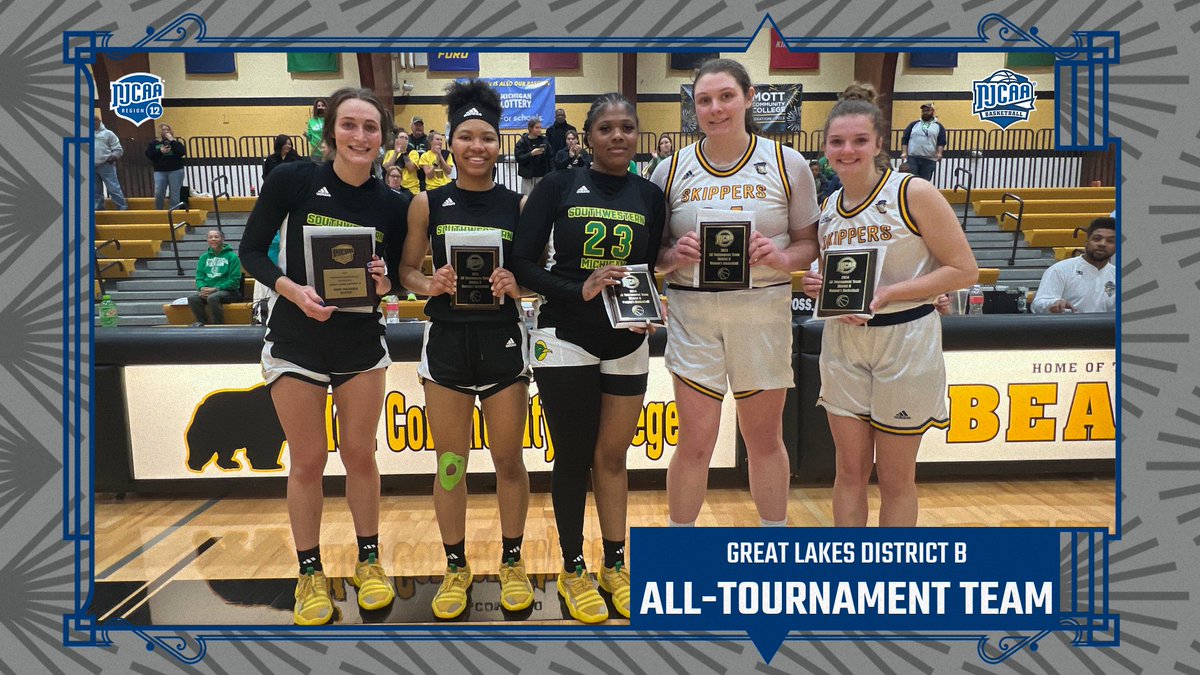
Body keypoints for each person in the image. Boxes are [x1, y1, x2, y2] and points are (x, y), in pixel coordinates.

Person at [238, 87, 409, 625]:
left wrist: (384, 287)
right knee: (308, 460)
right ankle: (309, 572)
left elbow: (397, 283)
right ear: (331, 129)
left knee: (360, 454)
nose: (360, 137)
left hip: (360, 344)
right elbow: (249, 250)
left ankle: (369, 561)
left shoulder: (393, 204)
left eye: (371, 128)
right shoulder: (293, 180)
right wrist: (291, 291)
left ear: (384, 137)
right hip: (296, 339)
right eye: (350, 125)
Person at [512, 92, 666, 624]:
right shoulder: (557, 186)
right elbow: (521, 264)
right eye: (606, 128)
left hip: (626, 336)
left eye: (627, 127)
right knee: (573, 455)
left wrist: (653, 299)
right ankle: (573, 567)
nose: (617, 136)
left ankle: (615, 564)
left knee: (612, 458)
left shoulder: (650, 194)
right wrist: (577, 289)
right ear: (588, 136)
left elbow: (649, 267)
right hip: (565, 333)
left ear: (637, 133)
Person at [651, 58, 819, 530]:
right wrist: (673, 256)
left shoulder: (788, 164)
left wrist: (782, 258)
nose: (715, 108)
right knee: (695, 442)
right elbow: (655, 255)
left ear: (748, 97)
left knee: (764, 439)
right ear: (693, 108)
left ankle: (775, 545)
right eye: (704, 100)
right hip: (693, 312)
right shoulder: (669, 169)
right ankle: (679, 547)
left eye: (726, 96)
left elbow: (808, 243)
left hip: (762, 308)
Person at [800, 83, 978, 527]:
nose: (847, 150)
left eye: (860, 140)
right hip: (844, 342)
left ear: (880, 143)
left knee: (896, 478)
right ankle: (850, 571)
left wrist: (892, 293)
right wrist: (815, 285)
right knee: (848, 473)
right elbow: (838, 281)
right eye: (837, 141)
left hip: (906, 339)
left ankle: (887, 574)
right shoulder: (827, 209)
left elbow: (963, 270)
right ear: (825, 148)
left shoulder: (912, 192)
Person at [398, 79, 534, 620]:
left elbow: (533, 279)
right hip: (448, 345)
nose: (478, 147)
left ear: (500, 146)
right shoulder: (426, 203)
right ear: (449, 144)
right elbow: (408, 271)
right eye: (467, 137)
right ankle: (456, 566)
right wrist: (427, 283)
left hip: (503, 344)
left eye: (488, 138)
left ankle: (513, 560)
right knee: (451, 462)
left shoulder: (518, 204)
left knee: (507, 460)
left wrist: (515, 285)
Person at [1031, 217, 1116, 314]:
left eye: (1110, 241)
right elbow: (1037, 304)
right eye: (1097, 239)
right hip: (1066, 327)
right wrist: (1053, 304)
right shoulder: (1061, 270)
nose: (1102, 244)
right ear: (1087, 241)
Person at [188, 229, 243, 325]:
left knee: (212, 298)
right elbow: (199, 276)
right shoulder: (204, 257)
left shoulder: (232, 257)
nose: (213, 239)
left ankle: (218, 325)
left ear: (222, 239)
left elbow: (234, 280)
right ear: (207, 240)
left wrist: (216, 289)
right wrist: (202, 288)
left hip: (229, 291)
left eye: (216, 237)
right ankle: (201, 323)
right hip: (209, 291)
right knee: (193, 298)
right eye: (210, 237)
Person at [900, 102, 947, 183]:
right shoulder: (914, 124)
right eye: (923, 111)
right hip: (913, 157)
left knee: (924, 182)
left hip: (929, 159)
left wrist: (939, 153)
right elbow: (905, 138)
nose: (925, 112)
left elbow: (941, 141)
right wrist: (904, 153)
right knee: (911, 180)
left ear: (933, 112)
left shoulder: (938, 126)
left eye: (927, 110)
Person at [146, 123, 187, 210]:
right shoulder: (154, 143)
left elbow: (181, 152)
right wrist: (160, 151)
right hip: (160, 170)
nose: (166, 131)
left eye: (167, 129)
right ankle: (159, 211)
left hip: (175, 170)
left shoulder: (175, 142)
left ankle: (173, 212)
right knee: (159, 192)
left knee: (174, 194)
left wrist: (172, 140)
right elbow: (149, 155)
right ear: (160, 132)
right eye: (164, 130)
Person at [93, 117, 127, 210]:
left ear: (99, 121)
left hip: (106, 166)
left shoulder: (108, 134)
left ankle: (122, 209)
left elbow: (118, 149)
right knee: (95, 191)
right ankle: (99, 210)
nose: (93, 123)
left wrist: (112, 158)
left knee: (113, 189)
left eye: (95, 120)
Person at [514, 117, 554, 195]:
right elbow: (519, 158)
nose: (539, 130)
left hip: (542, 176)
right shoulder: (522, 142)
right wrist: (531, 154)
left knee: (541, 199)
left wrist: (552, 173)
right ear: (530, 128)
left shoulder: (544, 141)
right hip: (528, 177)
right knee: (527, 199)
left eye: (540, 127)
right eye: (537, 127)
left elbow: (550, 157)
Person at [382, 131, 420, 195]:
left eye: (406, 138)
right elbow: (387, 168)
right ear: (396, 140)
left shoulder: (413, 153)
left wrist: (404, 152)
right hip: (393, 187)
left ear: (408, 142)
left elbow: (411, 168)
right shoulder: (390, 153)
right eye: (401, 137)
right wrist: (396, 153)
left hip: (411, 189)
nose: (404, 140)